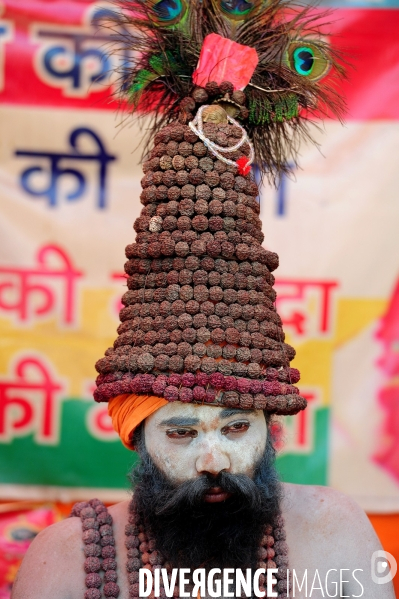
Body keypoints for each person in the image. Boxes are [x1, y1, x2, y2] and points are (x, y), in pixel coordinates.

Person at [10, 1, 396, 597]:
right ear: (137, 435)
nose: (214, 459)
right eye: (183, 434)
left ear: (271, 429)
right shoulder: (69, 560)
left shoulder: (336, 533)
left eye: (238, 427)